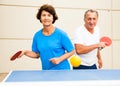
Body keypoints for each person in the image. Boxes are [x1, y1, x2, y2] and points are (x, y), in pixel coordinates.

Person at [19, 4, 75, 70]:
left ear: (53, 18)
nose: (46, 18)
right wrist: (25, 52)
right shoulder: (37, 36)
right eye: (43, 15)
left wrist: (59, 59)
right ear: (40, 17)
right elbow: (37, 54)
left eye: (49, 15)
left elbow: (72, 51)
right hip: (46, 71)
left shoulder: (61, 34)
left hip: (62, 70)